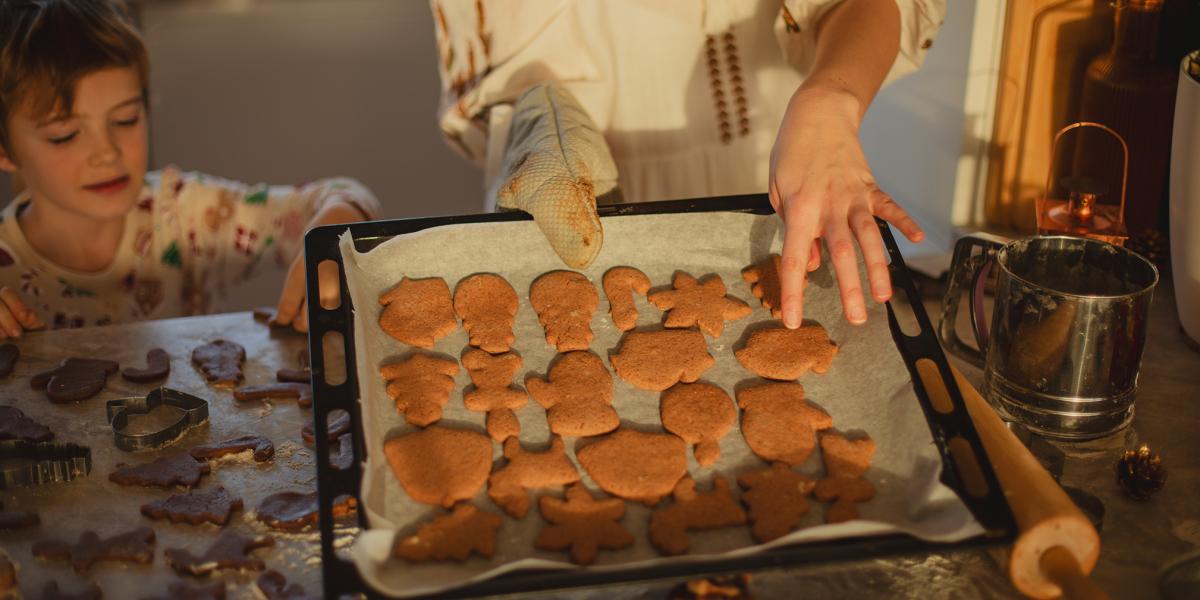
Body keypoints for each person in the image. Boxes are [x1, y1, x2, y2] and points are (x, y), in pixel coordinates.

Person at [430, 0, 942, 328]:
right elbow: (501, 62)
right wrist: (539, 123)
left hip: (779, 173)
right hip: (570, 188)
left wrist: (832, 98)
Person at [0, 0, 381, 339]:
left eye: (126, 119)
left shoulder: (184, 215)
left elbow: (344, 193)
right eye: (65, 136)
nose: (106, 153)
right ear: (5, 149)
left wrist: (330, 239)